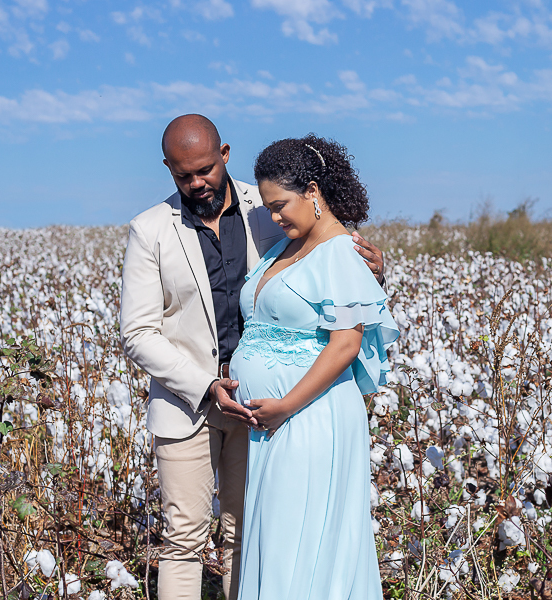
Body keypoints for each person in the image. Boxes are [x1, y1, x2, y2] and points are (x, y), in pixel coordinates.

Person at [120, 115, 386, 600]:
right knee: (183, 537)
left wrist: (371, 273)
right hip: (188, 406)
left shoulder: (265, 206)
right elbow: (137, 333)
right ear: (167, 169)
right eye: (184, 175)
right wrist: (205, 384)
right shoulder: (150, 230)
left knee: (251, 532)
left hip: (264, 414)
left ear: (224, 154)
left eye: (205, 169)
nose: (198, 182)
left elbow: (327, 275)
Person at [229, 134, 398, 600]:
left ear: (312, 190)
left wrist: (284, 405)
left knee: (299, 542)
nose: (274, 216)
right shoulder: (287, 246)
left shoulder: (341, 249)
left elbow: (346, 344)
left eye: (280, 204)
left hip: (310, 417)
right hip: (277, 421)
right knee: (280, 539)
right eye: (267, 208)